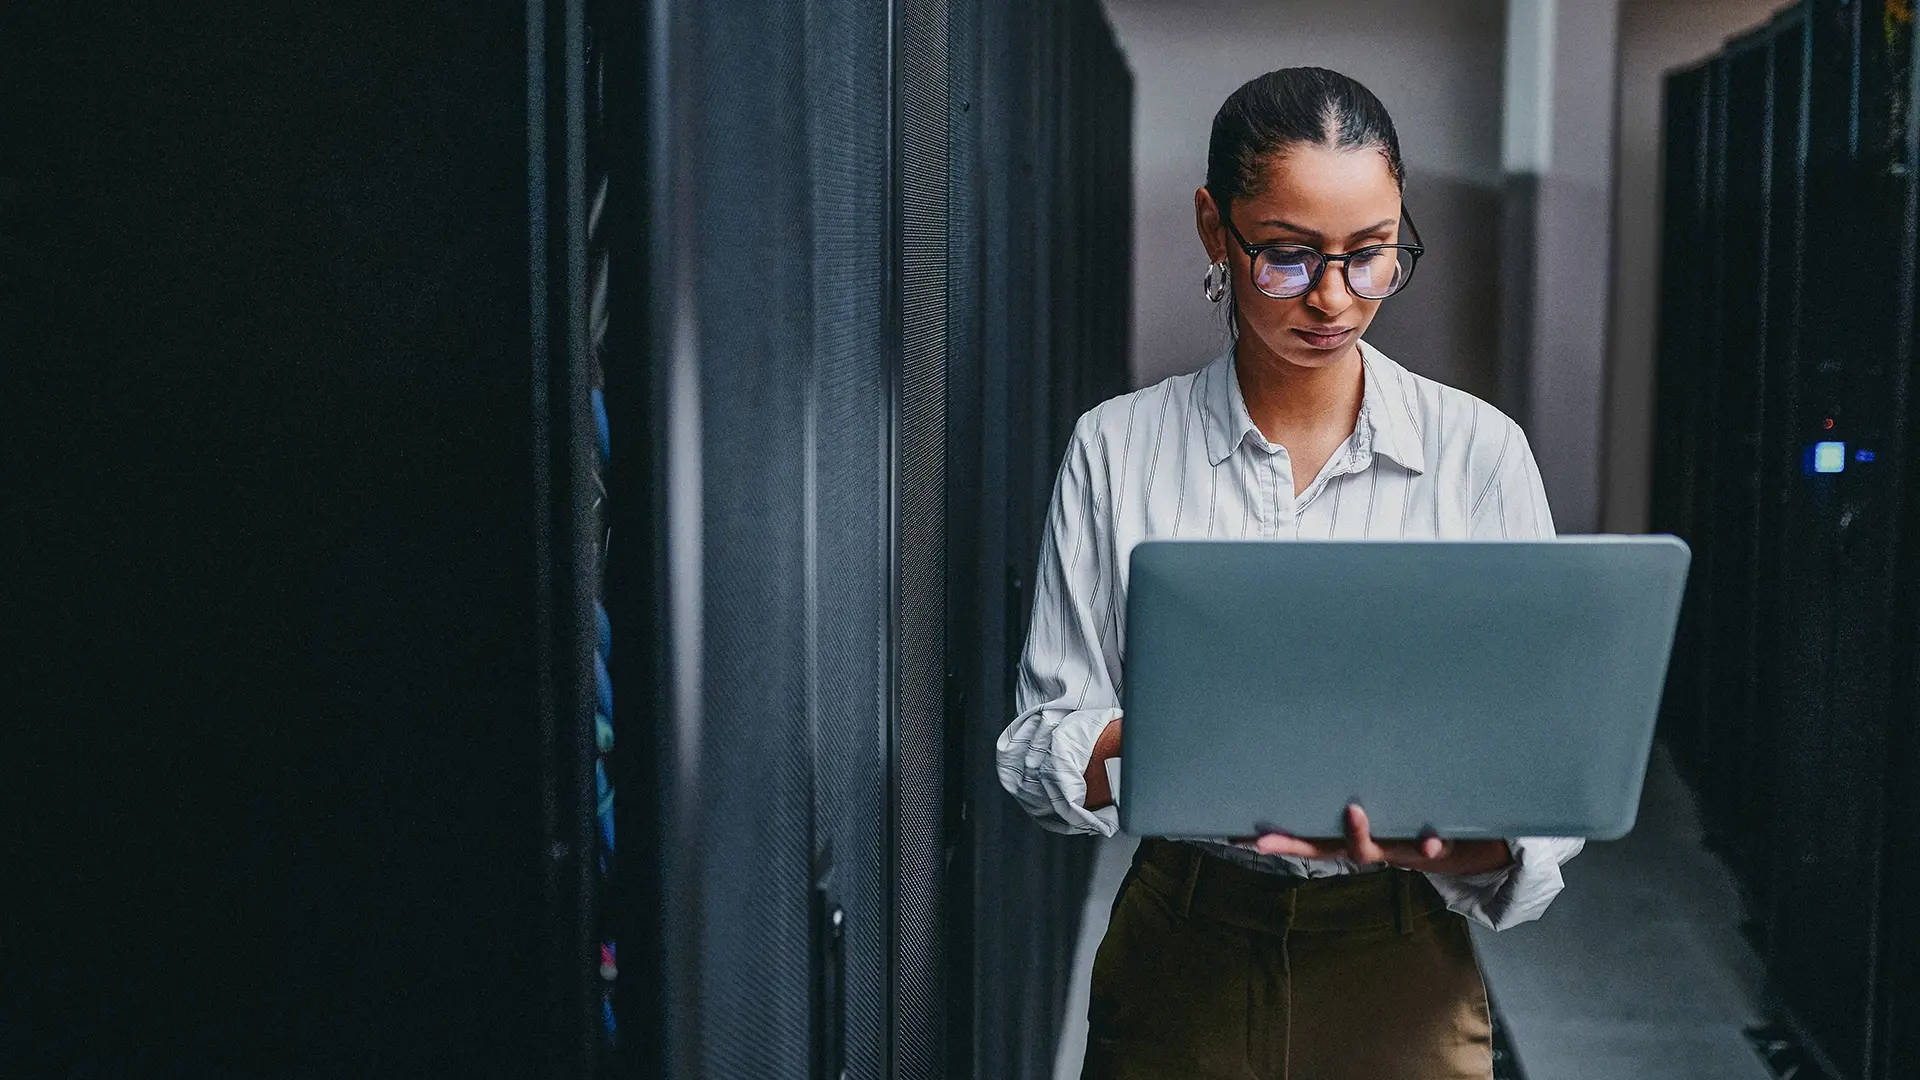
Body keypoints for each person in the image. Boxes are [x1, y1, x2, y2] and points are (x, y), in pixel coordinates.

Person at [995, 67, 1586, 1080]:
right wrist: (1183, 736)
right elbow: (1039, 743)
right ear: (1213, 230)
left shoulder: (1478, 455)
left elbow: (1544, 778)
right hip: (1186, 940)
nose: (1333, 298)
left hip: (1400, 950)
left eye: (1372, 257)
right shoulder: (1118, 449)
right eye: (1287, 256)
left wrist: (1457, 849)